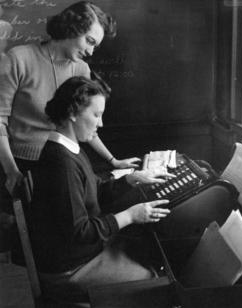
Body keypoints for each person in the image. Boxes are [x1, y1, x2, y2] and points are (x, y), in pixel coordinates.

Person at [0, 1, 139, 253]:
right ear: (71, 27)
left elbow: (85, 123)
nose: (91, 51)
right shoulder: (18, 58)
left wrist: (113, 160)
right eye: (89, 41)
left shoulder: (81, 69)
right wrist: (11, 171)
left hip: (64, 162)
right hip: (22, 167)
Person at [28, 76, 173, 301]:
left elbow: (94, 190)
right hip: (69, 270)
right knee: (153, 280)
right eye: (96, 115)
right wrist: (131, 215)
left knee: (147, 252)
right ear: (72, 113)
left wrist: (131, 179)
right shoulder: (60, 163)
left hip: (82, 254)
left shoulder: (71, 149)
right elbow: (80, 232)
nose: (101, 123)